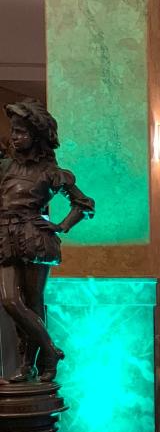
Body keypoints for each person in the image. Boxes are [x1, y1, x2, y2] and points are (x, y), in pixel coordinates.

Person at [0, 97, 95, 382]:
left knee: (33, 302)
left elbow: (84, 204)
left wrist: (62, 226)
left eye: (22, 132)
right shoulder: (5, 167)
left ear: (36, 137)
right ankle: (50, 351)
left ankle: (30, 364)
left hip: (34, 237)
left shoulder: (50, 173)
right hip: (5, 235)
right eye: (13, 131)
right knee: (9, 301)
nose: (15, 137)